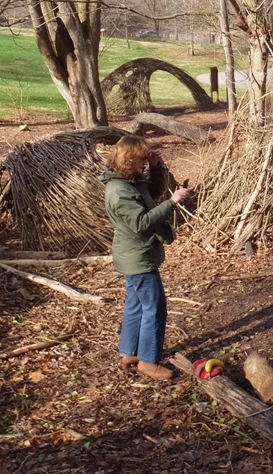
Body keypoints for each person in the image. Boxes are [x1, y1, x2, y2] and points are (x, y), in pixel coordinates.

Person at [99, 136, 191, 380]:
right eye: (141, 158)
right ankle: (149, 362)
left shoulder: (127, 180)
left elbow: (152, 192)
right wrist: (174, 202)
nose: (143, 163)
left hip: (135, 253)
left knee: (136, 303)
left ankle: (130, 352)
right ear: (129, 159)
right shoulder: (119, 191)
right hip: (137, 256)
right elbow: (141, 222)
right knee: (154, 308)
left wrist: (156, 166)